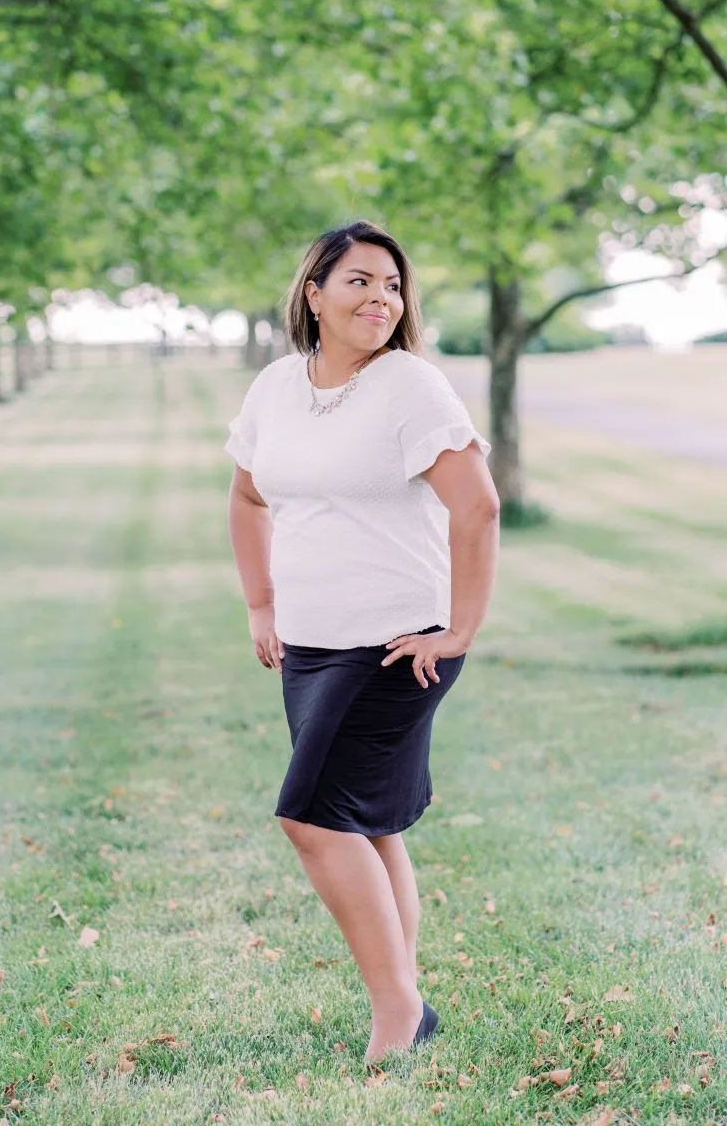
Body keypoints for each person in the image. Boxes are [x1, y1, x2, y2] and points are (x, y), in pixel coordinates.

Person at [224, 219, 499, 1064]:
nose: (382, 297)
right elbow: (247, 498)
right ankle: (405, 993)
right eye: (359, 281)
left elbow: (477, 506)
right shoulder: (276, 386)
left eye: (392, 284)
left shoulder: (410, 386)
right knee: (368, 823)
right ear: (314, 293)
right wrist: (262, 605)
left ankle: (397, 1012)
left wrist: (459, 630)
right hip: (308, 647)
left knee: (310, 818)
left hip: (393, 646)